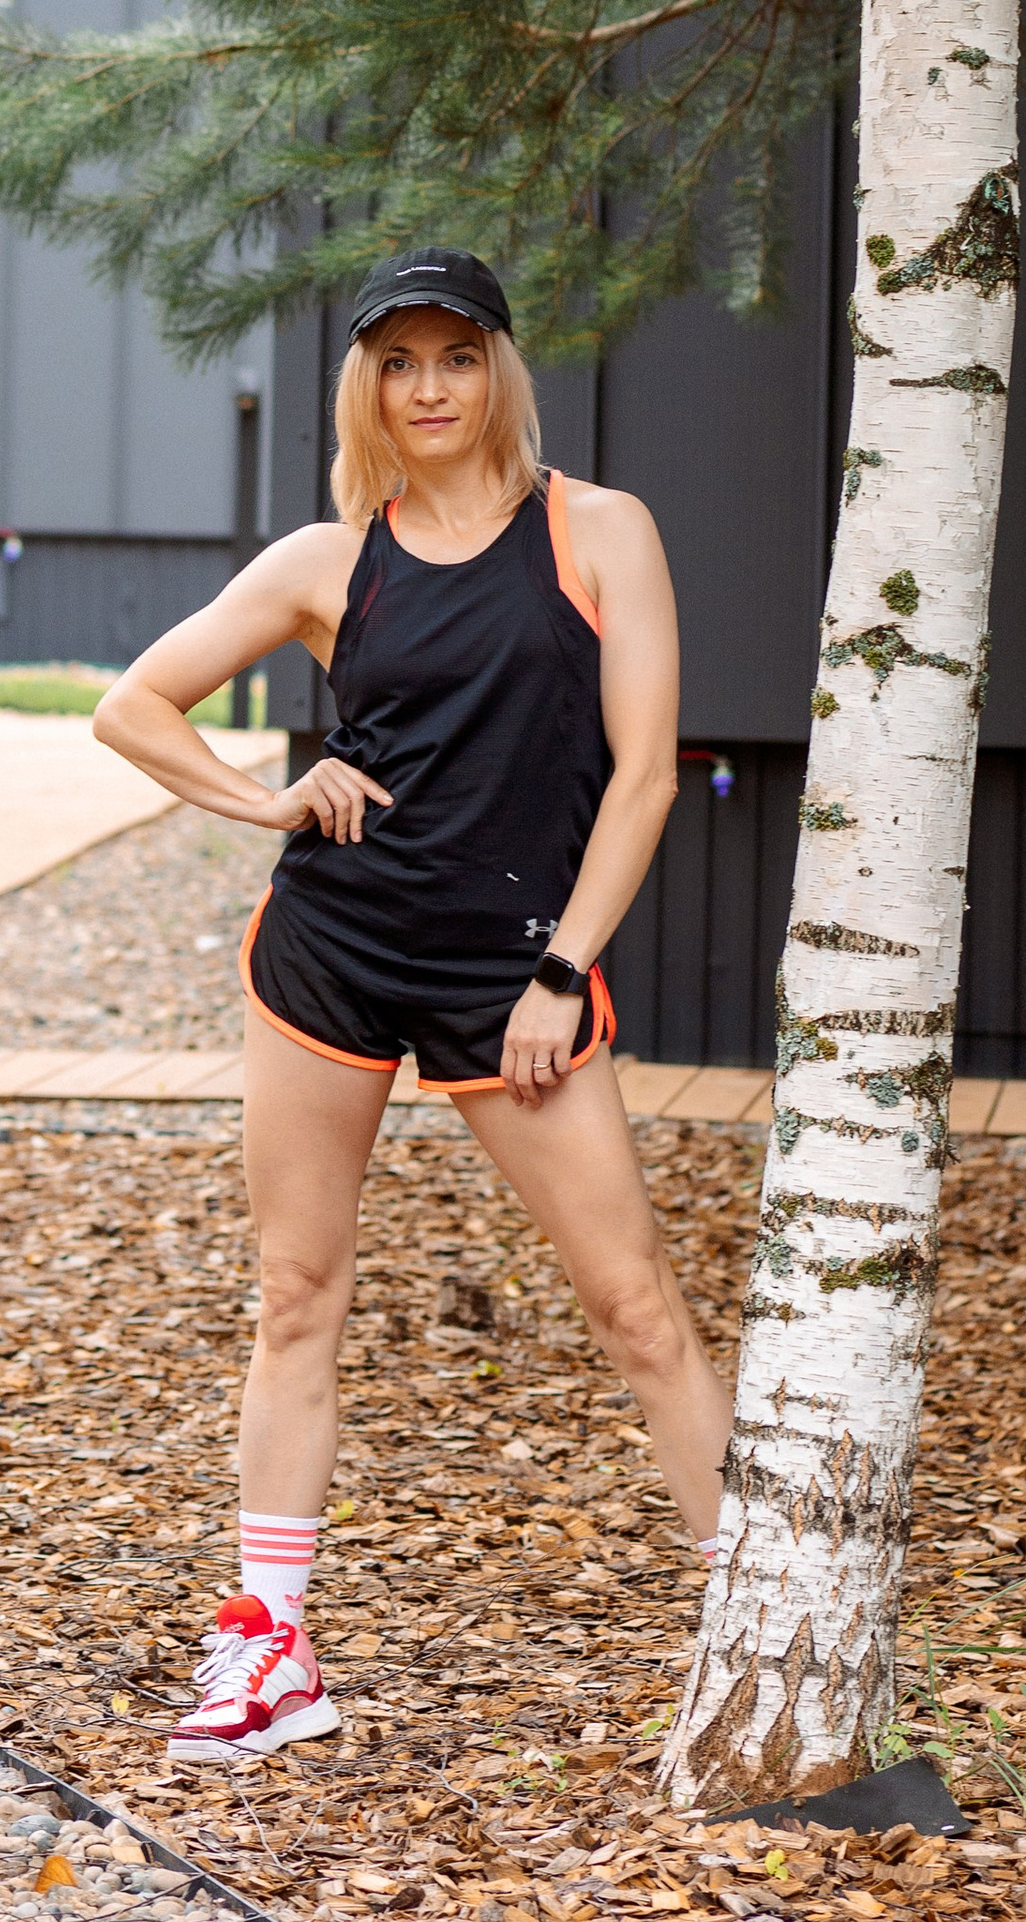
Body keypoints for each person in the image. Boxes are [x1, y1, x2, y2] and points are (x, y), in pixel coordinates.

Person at [91, 247, 734, 1759]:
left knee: (638, 1308)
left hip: (517, 970)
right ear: (366, 385)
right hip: (333, 952)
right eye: (398, 362)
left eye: (454, 356)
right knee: (298, 1294)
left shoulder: (599, 531)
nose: (428, 386)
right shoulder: (331, 561)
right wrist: (268, 802)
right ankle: (271, 1660)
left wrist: (560, 970)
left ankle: (756, 1638)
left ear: (499, 367)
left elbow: (644, 777)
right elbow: (131, 706)